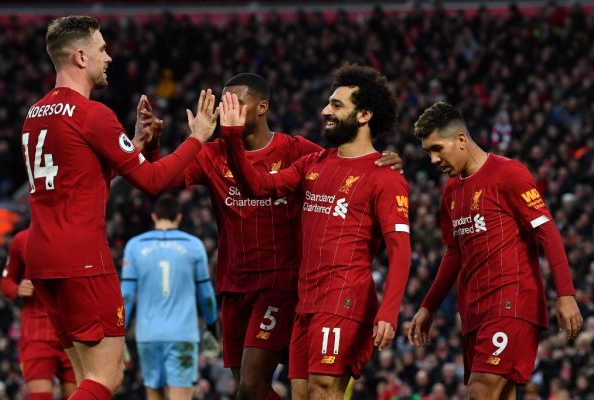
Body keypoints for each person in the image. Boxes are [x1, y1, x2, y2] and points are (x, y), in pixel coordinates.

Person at [159, 73, 402, 400]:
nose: (325, 112)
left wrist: (386, 162)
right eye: (224, 103)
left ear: (262, 107)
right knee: (265, 391)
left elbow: (397, 243)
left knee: (304, 387)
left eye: (336, 104)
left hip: (299, 289)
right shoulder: (313, 163)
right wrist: (154, 145)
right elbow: (253, 186)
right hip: (253, 289)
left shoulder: (300, 151)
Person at [21, 16, 217, 400]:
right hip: (83, 260)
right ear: (80, 56)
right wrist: (197, 138)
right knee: (105, 378)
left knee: (83, 380)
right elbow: (155, 183)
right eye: (102, 49)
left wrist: (135, 145)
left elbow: (81, 178)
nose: (108, 57)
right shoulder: (92, 114)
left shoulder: (35, 115)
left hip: (43, 259)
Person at [407, 102, 583, 399]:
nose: (434, 159)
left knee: (481, 390)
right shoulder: (450, 193)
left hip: (511, 303)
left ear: (461, 139)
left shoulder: (509, 174)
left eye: (437, 148)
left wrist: (565, 294)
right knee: (500, 394)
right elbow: (454, 254)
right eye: (428, 152)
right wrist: (428, 306)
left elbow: (548, 232)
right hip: (474, 310)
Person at [121, 194, 218, 400]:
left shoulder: (134, 246)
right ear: (179, 217)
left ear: (154, 217)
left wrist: (119, 333)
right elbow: (206, 294)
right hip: (182, 335)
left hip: (147, 335)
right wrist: (212, 328)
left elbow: (126, 296)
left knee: (153, 394)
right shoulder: (194, 246)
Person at [0, 228, 76, 400]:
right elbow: (5, 282)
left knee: (77, 396)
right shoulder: (22, 240)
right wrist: (17, 288)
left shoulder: (78, 234)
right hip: (36, 335)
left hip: (73, 335)